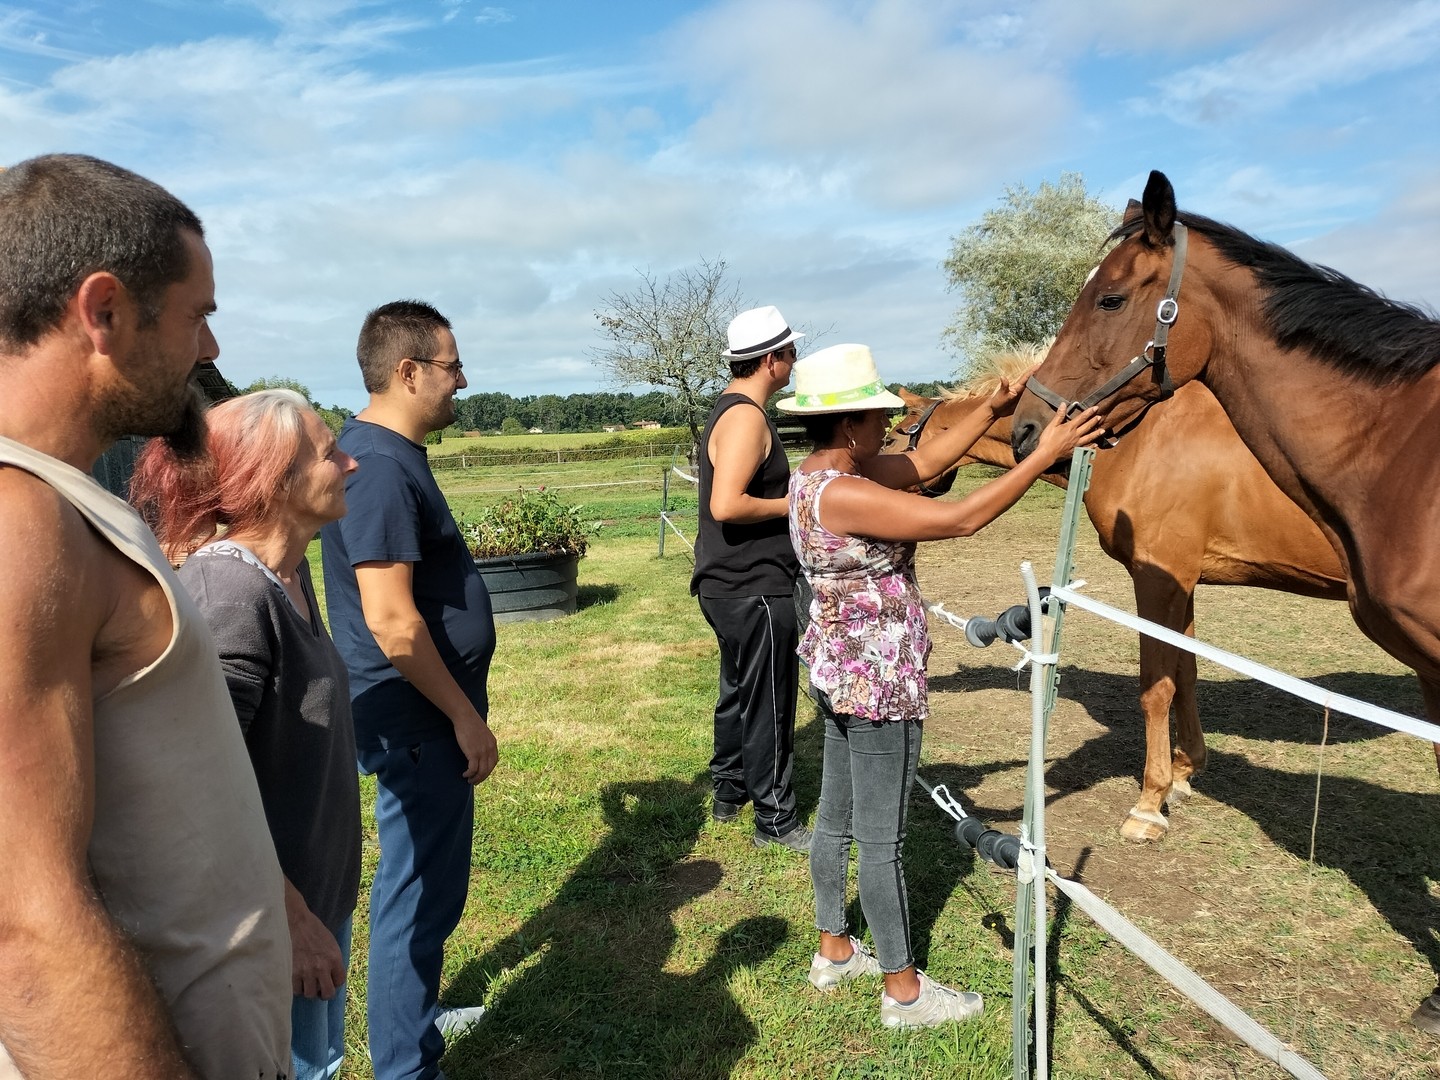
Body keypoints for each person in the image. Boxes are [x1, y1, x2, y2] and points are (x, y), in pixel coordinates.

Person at [0, 154, 291, 1078]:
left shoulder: (66, 500)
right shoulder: (21, 521)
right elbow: (21, 919)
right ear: (105, 311)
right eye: (198, 314)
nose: (209, 349)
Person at [778, 342, 1100, 1029]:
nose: (889, 431)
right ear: (852, 424)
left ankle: (835, 947)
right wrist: (1046, 453)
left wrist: (990, 406)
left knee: (835, 822)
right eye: (881, 420)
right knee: (882, 839)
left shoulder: (813, 477)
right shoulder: (851, 494)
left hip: (837, 668)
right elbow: (959, 517)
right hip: (881, 681)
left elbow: (925, 465)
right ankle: (904, 991)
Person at [129, 389, 364, 1080]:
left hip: (309, 900)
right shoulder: (232, 596)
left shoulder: (288, 572)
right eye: (329, 453)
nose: (350, 464)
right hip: (267, 923)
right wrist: (289, 922)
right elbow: (188, 792)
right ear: (274, 480)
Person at [321, 300, 496, 1080]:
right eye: (453, 365)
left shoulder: (380, 455)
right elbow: (393, 622)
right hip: (418, 717)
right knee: (416, 891)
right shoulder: (382, 467)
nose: (464, 380)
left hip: (421, 715)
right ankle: (403, 1065)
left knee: (427, 886)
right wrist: (462, 716)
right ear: (409, 371)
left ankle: (413, 1021)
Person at [691, 305, 810, 851]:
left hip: (729, 584)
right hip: (754, 585)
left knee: (739, 692)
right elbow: (727, 503)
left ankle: (729, 790)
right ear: (770, 360)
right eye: (790, 353)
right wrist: (797, 502)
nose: (793, 362)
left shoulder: (730, 410)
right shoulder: (746, 417)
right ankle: (776, 817)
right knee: (770, 700)